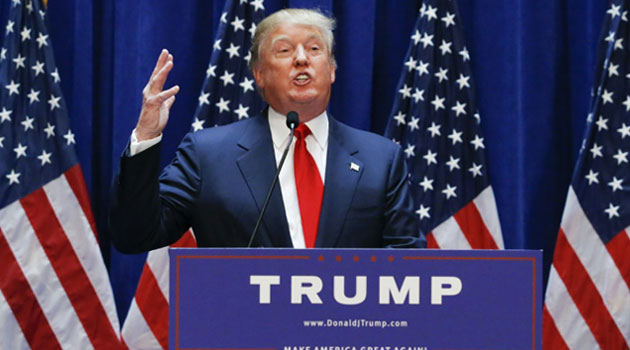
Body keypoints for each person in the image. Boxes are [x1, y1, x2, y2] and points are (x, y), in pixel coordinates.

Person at [110, 8, 424, 253]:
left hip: (343, 333)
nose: (302, 59)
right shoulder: (207, 155)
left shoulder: (381, 159)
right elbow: (135, 236)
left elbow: (407, 262)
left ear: (332, 70)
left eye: (314, 49)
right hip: (245, 332)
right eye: (285, 51)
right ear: (259, 74)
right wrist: (146, 137)